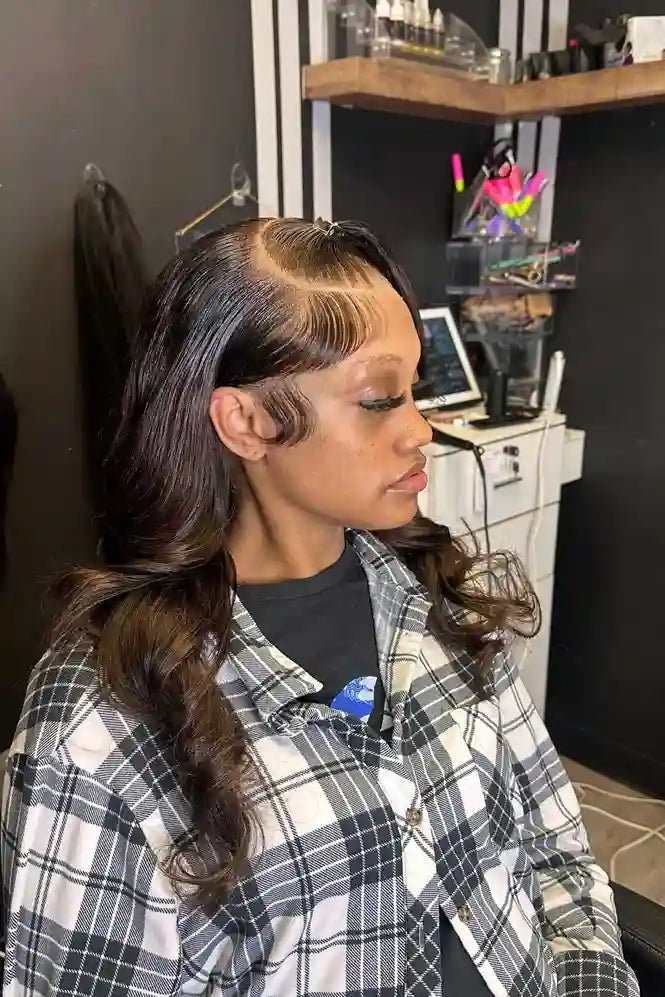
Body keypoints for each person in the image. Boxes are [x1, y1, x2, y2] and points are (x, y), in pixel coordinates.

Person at [1, 218, 637, 997]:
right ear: (247, 420)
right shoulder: (107, 719)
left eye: (414, 391)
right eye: (377, 399)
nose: (417, 430)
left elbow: (555, 852)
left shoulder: (432, 598)